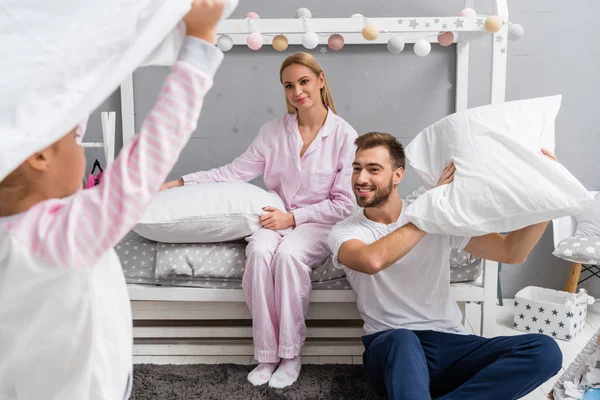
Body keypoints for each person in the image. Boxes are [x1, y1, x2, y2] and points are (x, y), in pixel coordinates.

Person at [0, 2, 226, 398]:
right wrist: (200, 43)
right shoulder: (65, 234)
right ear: (38, 157)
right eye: (74, 136)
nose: (81, 145)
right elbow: (152, 151)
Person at [161, 52, 358, 388]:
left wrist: (294, 217)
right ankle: (267, 354)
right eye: (289, 85)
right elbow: (234, 172)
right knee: (261, 253)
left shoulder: (344, 136)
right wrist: (181, 182)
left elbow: (343, 203)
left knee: (287, 256)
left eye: (304, 82)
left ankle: (291, 353)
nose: (297, 91)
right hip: (273, 217)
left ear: (320, 80)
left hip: (317, 223)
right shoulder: (273, 132)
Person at [327, 132, 563, 400]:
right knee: (403, 338)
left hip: (451, 342)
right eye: (356, 169)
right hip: (391, 348)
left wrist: (549, 197)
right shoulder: (345, 231)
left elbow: (512, 251)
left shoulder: (434, 215)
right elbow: (372, 260)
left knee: (545, 351)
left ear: (397, 175)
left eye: (373, 170)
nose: (360, 179)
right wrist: (429, 214)